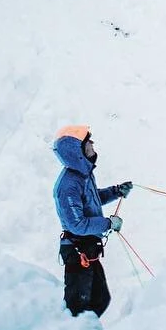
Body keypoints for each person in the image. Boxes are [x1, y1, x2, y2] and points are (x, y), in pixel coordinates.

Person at [52, 126, 132, 318]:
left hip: (89, 249)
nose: (93, 144)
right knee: (77, 310)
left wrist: (116, 191)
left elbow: (93, 199)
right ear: (76, 150)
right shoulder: (68, 185)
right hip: (78, 254)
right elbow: (76, 224)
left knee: (100, 300)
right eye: (88, 142)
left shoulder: (84, 176)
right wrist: (108, 224)